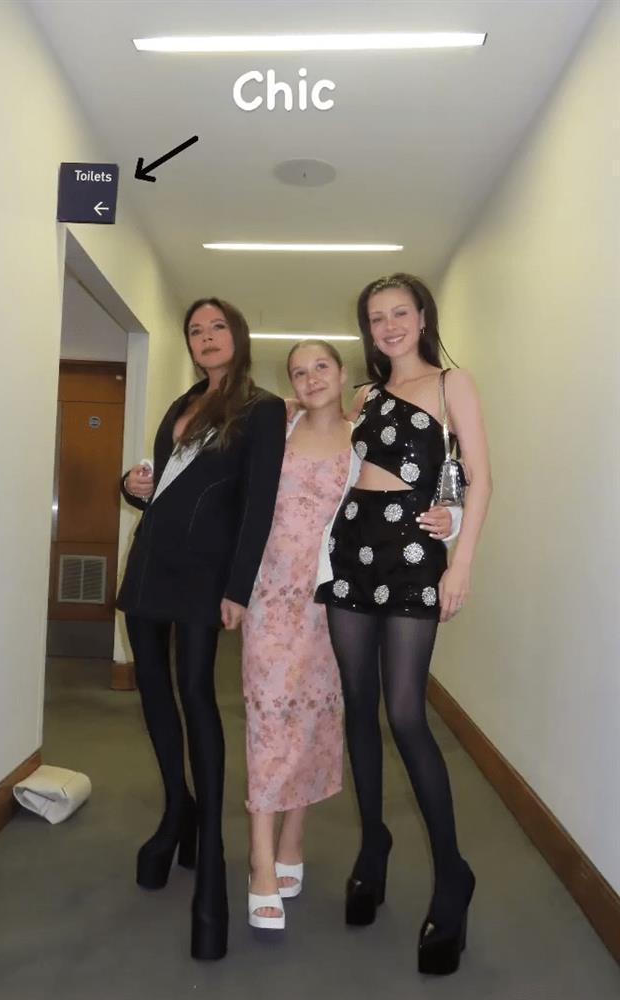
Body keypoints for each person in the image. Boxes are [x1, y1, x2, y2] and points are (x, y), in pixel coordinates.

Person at [241, 339, 455, 931]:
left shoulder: (366, 435)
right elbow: (236, 496)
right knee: (267, 718)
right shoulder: (276, 430)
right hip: (270, 598)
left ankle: (293, 837)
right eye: (298, 371)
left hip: (336, 599)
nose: (310, 378)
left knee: (314, 719)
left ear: (344, 376)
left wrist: (452, 520)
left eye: (321, 367)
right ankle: (260, 858)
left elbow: (425, 481)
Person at [315, 273, 492, 976]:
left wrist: (460, 557)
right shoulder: (363, 396)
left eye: (399, 313)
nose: (388, 325)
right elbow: (330, 462)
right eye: (375, 316)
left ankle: (452, 875)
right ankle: (373, 844)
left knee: (406, 713)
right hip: (352, 548)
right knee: (358, 705)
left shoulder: (453, 384)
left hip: (415, 552)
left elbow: (478, 476)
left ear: (422, 317)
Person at [117, 298, 286, 961]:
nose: (206, 337)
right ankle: (176, 810)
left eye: (217, 327)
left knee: (195, 693)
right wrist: (131, 486)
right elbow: (163, 487)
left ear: (237, 336)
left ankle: (210, 848)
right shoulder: (182, 404)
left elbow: (258, 505)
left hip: (203, 574)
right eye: (196, 330)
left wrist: (238, 588)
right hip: (150, 565)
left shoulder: (261, 409)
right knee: (152, 690)